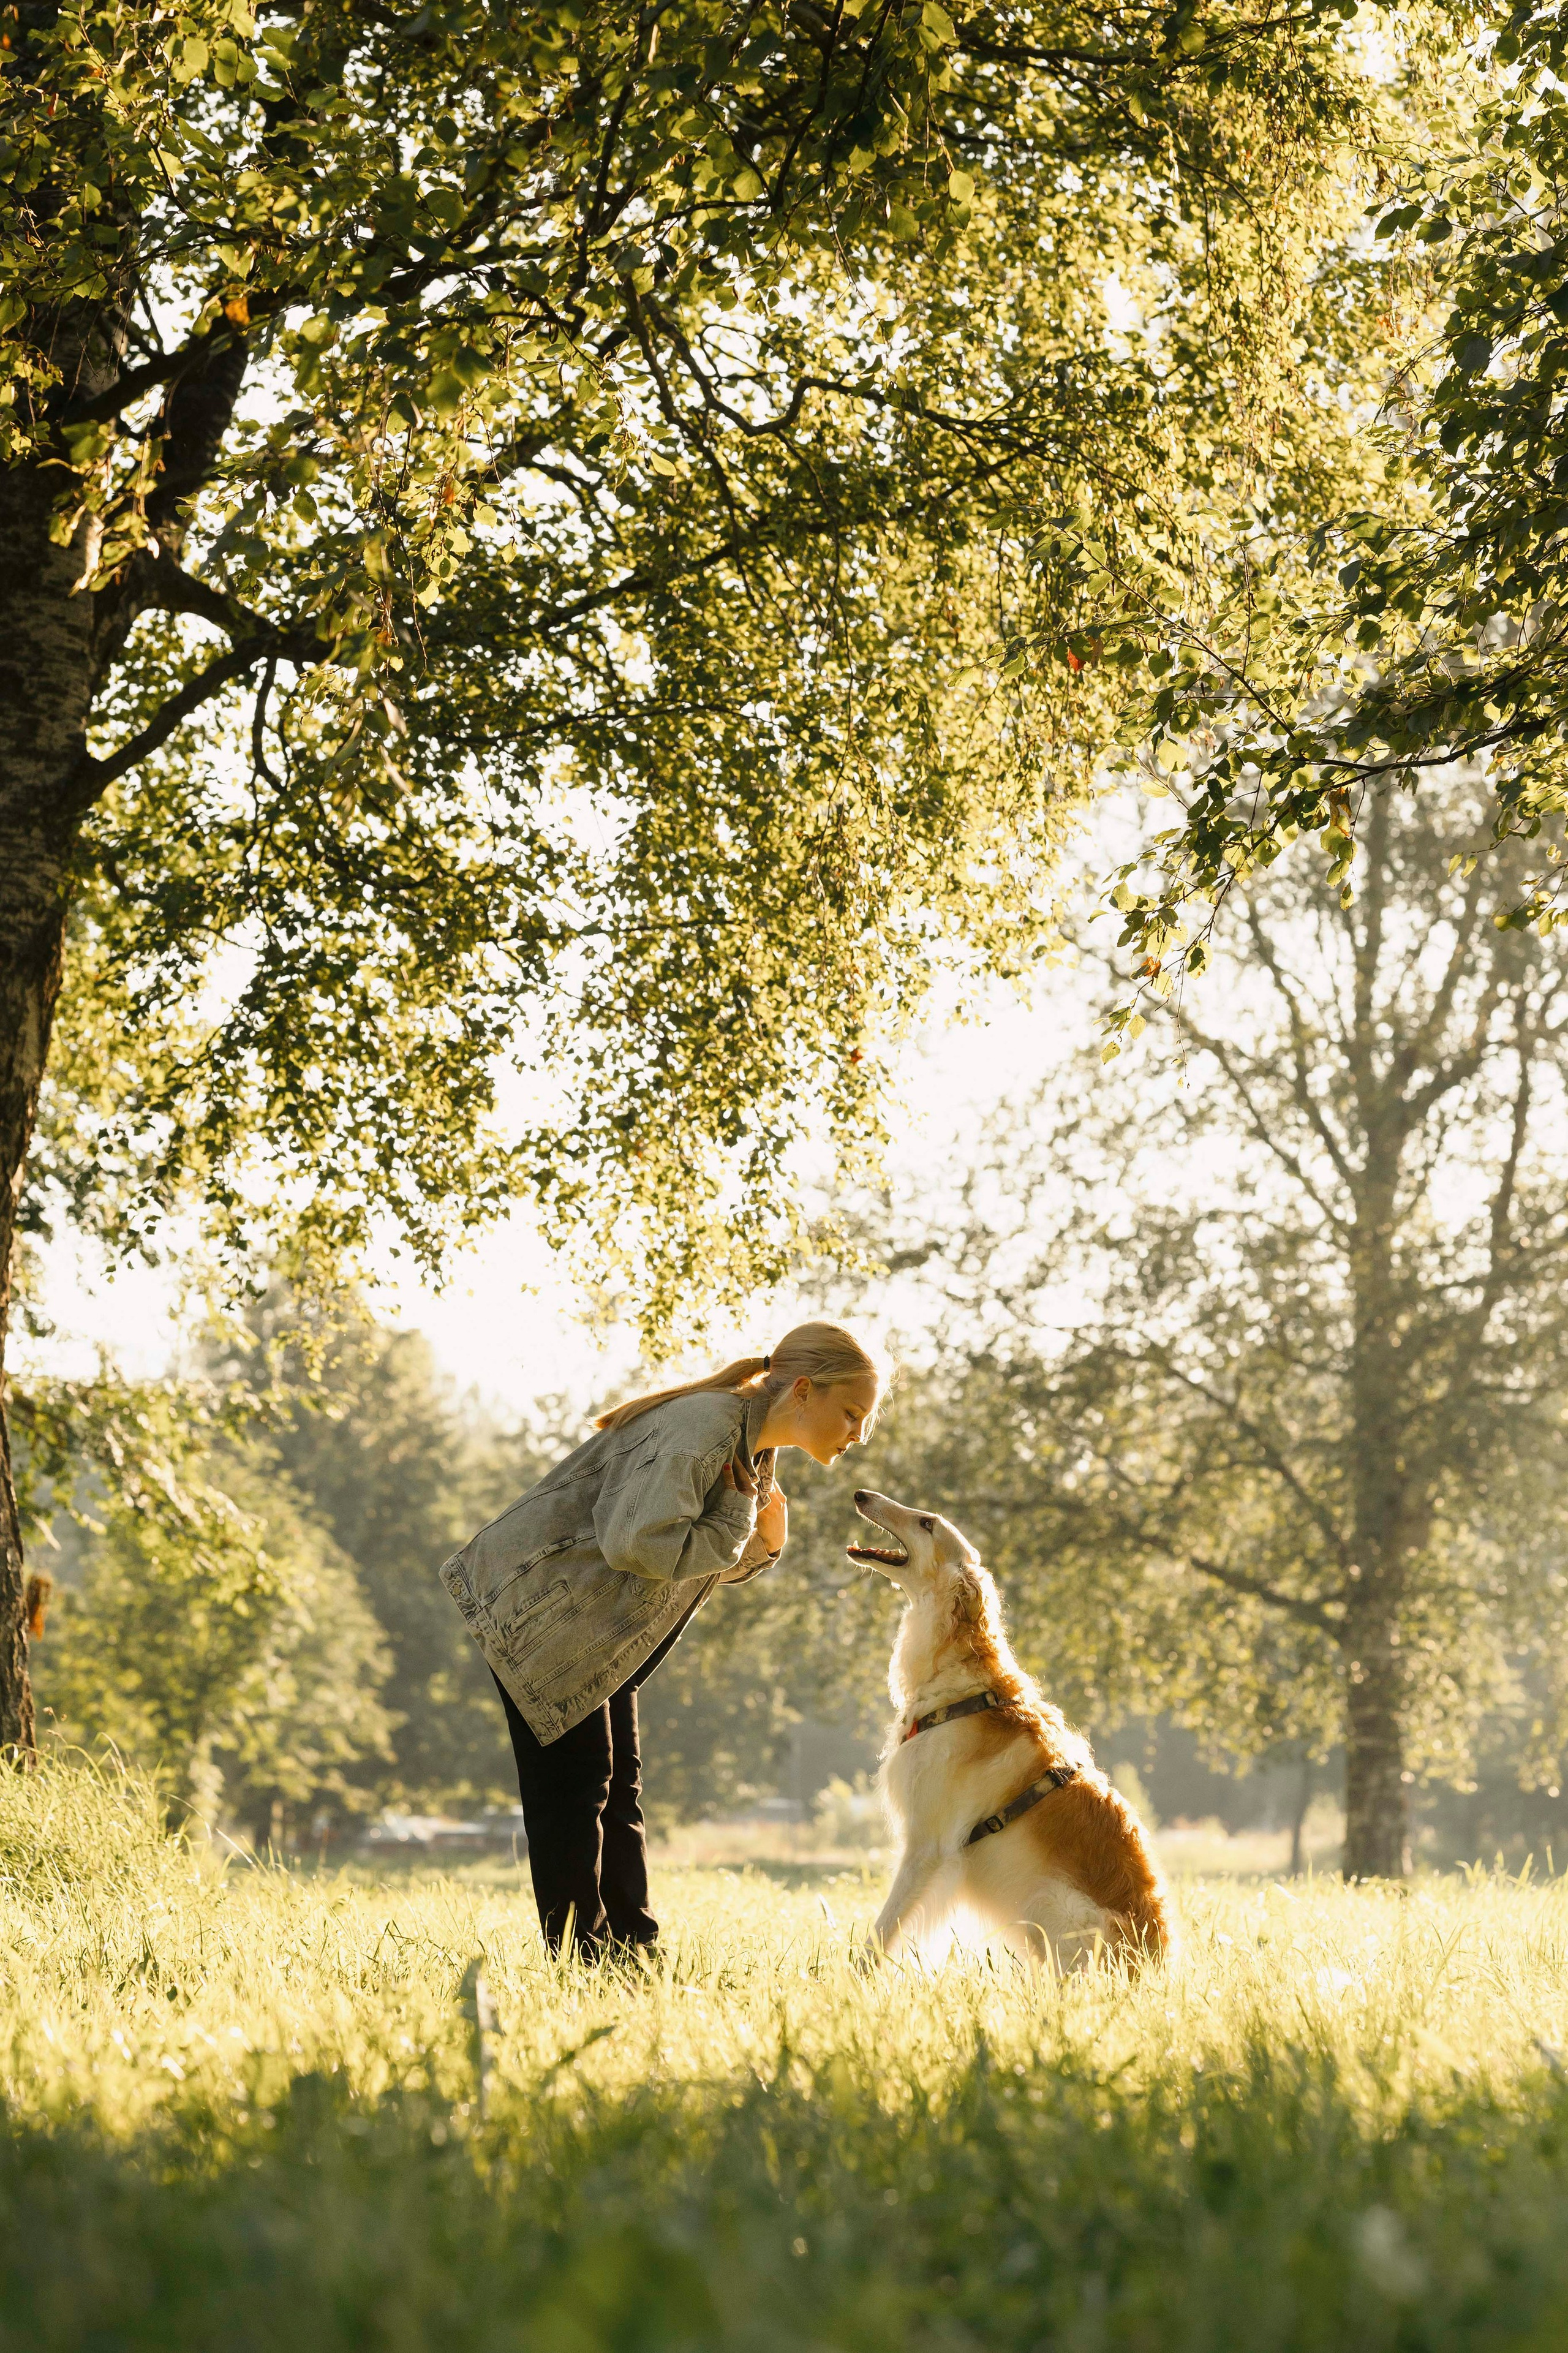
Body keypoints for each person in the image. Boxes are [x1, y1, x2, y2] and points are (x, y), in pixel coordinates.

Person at [439, 1320, 883, 1959]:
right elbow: (637, 1543)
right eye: (851, 1412)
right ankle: (583, 1961)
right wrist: (737, 1521)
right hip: (542, 1614)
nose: (857, 1434)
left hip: (597, 1628)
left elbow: (689, 1556)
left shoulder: (751, 1445)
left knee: (618, 1785)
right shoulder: (703, 1430)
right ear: (806, 1390)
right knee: (579, 1786)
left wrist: (763, 1545)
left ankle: (633, 1950)